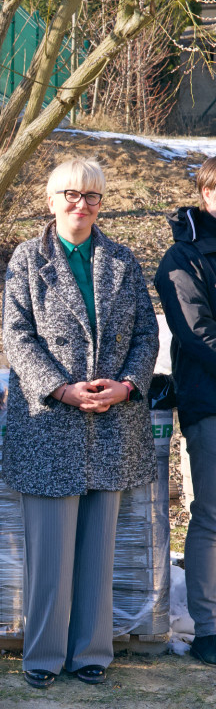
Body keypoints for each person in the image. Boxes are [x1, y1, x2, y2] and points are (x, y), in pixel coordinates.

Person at [2, 158, 159, 689]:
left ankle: (92, 651)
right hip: (50, 423)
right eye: (71, 194)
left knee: (97, 551)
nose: (81, 204)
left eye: (92, 196)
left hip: (113, 423)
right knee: (51, 554)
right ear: (51, 199)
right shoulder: (27, 260)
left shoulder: (122, 260)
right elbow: (17, 337)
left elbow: (145, 336)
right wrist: (61, 388)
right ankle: (43, 657)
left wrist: (129, 385)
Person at [154, 155, 216, 666]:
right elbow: (197, 334)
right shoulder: (183, 258)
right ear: (205, 194)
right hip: (211, 402)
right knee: (214, 515)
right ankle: (210, 628)